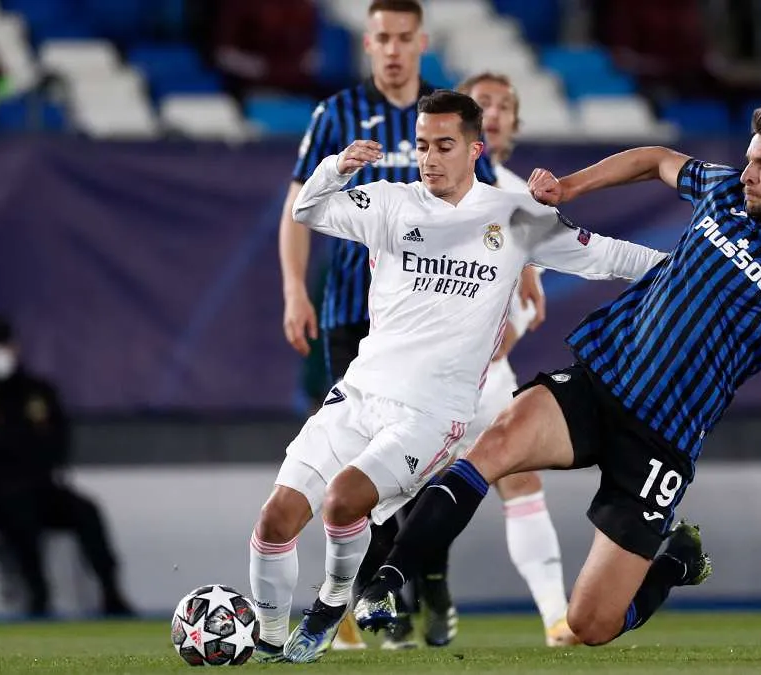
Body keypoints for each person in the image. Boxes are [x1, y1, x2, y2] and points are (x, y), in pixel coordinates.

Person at [353, 105, 761, 646]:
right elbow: (655, 158)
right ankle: (389, 581)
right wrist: (570, 188)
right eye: (749, 158)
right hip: (602, 381)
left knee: (591, 623)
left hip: (664, 442)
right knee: (491, 447)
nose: (749, 172)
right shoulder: (725, 192)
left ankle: (678, 561)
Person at [252, 90, 665, 663]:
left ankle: (329, 604)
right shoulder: (390, 203)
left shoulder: (515, 216)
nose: (429, 157)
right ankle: (268, 639)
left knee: (344, 501)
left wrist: (686, 272)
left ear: (476, 149)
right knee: (276, 518)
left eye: (444, 145)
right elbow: (308, 212)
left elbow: (608, 257)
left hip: (431, 413)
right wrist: (335, 169)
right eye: (421, 145)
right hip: (360, 391)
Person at [270, 0, 545, 650]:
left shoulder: (446, 113)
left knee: (416, 468)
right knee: (362, 470)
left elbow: (497, 206)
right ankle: (374, 601)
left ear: (422, 42)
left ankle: (405, 585)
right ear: (367, 44)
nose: (392, 51)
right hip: (354, 316)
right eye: (381, 39)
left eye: (403, 38)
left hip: (446, 326)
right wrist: (292, 289)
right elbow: (299, 205)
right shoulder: (334, 113)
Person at [427, 71, 574, 648]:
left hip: (487, 377)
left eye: (503, 105)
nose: (492, 111)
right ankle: (348, 605)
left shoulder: (522, 200)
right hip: (425, 376)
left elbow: (525, 308)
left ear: (512, 124)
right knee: (385, 493)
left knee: (520, 480)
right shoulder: (429, 192)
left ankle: (556, 618)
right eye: (481, 102)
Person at [0, 316, 134, 618]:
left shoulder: (37, 391)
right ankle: (39, 594)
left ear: (14, 347)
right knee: (17, 506)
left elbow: (55, 441)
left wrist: (10, 444)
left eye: (2, 345)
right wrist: (12, 446)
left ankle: (111, 591)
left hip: (41, 486)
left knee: (86, 510)